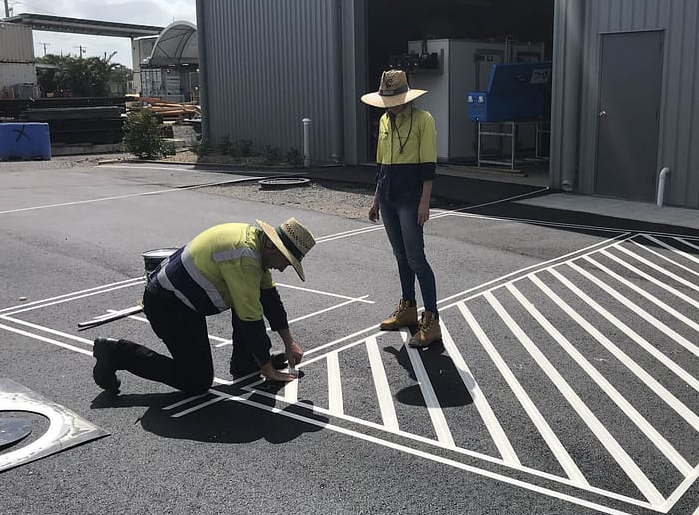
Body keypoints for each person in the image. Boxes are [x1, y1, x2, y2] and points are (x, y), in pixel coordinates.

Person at [91, 218, 316, 395]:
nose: (284, 268)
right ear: (271, 246)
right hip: (168, 306)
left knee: (249, 297)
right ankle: (117, 353)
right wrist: (268, 369)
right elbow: (251, 318)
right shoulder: (244, 256)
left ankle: (245, 362)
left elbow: (269, 299)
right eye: (286, 261)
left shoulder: (255, 245)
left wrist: (289, 342)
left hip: (184, 300)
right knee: (197, 381)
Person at [362, 69, 442, 348]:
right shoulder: (385, 120)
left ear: (406, 97)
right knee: (400, 256)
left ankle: (431, 319)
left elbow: (428, 165)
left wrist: (425, 202)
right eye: (387, 101)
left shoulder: (423, 119)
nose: (391, 106)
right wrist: (376, 200)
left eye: (395, 100)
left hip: (411, 197)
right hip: (387, 196)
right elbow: (381, 165)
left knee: (416, 257)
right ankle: (408, 307)